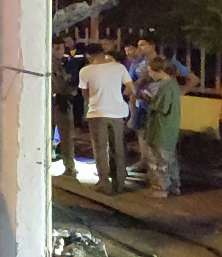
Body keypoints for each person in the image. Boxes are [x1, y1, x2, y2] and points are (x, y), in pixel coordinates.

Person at [131, 37, 200, 170]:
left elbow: (194, 79)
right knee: (142, 133)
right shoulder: (138, 64)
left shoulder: (167, 62)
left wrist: (179, 93)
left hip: (160, 106)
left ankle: (162, 172)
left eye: (143, 45)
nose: (140, 49)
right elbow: (132, 85)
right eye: (138, 46)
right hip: (143, 105)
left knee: (161, 140)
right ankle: (145, 161)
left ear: (152, 46)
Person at [78, 43, 135, 195]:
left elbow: (85, 94)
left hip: (97, 112)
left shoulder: (85, 71)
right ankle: (120, 181)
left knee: (100, 148)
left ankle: (104, 182)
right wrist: (119, 96)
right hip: (118, 112)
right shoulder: (119, 67)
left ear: (89, 56)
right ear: (103, 53)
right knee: (118, 147)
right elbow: (131, 88)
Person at [144, 57, 183, 197]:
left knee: (158, 159)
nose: (149, 74)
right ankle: (174, 185)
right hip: (169, 128)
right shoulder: (173, 84)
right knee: (169, 157)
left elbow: (162, 107)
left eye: (150, 71)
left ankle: (161, 187)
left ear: (159, 71)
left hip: (161, 128)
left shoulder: (166, 86)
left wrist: (148, 99)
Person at [52, 37, 78, 176]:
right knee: (62, 135)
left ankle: (69, 166)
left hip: (63, 101)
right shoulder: (50, 63)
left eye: (62, 48)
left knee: (66, 135)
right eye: (57, 48)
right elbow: (60, 85)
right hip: (55, 101)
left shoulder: (66, 62)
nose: (60, 52)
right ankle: (68, 166)